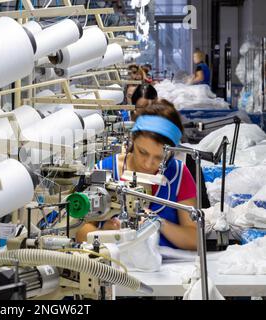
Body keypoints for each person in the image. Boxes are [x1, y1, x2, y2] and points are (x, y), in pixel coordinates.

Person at [76, 101, 198, 250]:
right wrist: (103, 234)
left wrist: (156, 222)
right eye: (143, 152)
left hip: (167, 268)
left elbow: (194, 239)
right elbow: (80, 232)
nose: (148, 164)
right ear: (133, 138)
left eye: (159, 157)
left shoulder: (178, 175)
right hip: (114, 265)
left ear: (172, 151)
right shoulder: (104, 171)